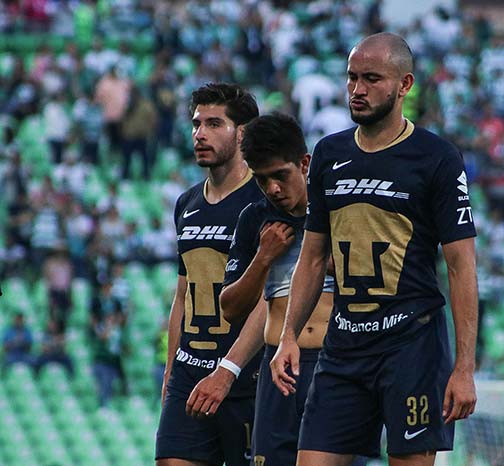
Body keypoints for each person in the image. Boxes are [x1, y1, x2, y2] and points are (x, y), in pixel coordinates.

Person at [270, 32, 479, 466]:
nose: (357, 90)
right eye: (351, 78)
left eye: (371, 79)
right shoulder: (329, 153)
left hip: (412, 346)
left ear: (404, 85)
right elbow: (311, 258)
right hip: (343, 347)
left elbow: (461, 267)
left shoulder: (437, 157)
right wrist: (288, 335)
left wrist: (464, 368)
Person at [186, 113, 365, 466]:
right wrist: (263, 258)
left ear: (304, 163)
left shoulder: (339, 210)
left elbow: (377, 288)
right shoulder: (255, 219)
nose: (273, 189)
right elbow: (233, 308)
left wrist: (339, 265)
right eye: (262, 179)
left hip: (333, 362)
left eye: (280, 176)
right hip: (275, 367)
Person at [155, 82, 264, 466]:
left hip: (245, 375)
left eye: (214, 123)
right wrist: (171, 370)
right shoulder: (186, 203)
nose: (200, 133)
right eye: (197, 123)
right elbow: (183, 293)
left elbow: (272, 297)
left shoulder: (263, 200)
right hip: (190, 370)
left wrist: (229, 370)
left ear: (243, 133)